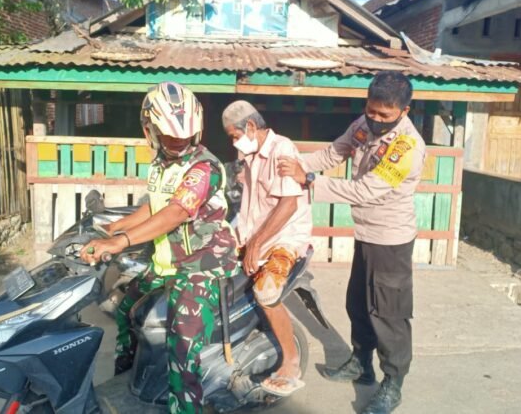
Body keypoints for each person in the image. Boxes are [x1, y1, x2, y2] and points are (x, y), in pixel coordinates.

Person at [80, 82, 239, 414]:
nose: (178, 142)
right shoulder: (161, 164)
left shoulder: (203, 169)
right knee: (125, 309)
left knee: (182, 355)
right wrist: (113, 228)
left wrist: (120, 241)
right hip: (168, 264)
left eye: (184, 136)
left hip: (200, 267)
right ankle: (129, 384)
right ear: (150, 130)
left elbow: (175, 212)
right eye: (169, 136)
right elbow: (154, 206)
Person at [278, 71, 426, 414]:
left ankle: (393, 383)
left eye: (384, 115)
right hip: (366, 234)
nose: (375, 120)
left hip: (391, 240)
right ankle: (361, 363)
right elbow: (335, 152)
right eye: (371, 110)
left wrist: (308, 180)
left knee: (388, 313)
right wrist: (293, 164)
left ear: (404, 111)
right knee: (357, 303)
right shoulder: (363, 124)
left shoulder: (407, 147)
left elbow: (365, 190)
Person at [222, 100, 312, 397]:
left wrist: (256, 244)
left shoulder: (281, 149)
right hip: (255, 234)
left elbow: (288, 205)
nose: (234, 142)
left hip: (284, 238)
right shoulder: (249, 156)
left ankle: (291, 361)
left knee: (266, 292)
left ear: (250, 126)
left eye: (235, 135)